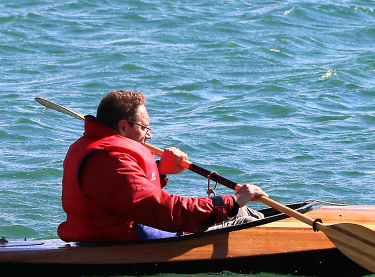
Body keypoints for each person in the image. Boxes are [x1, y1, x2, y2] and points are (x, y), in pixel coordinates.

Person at [58, 90, 267, 242]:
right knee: (242, 220)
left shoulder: (93, 147)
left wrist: (160, 171)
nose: (149, 135)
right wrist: (230, 201)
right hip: (124, 238)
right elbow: (164, 210)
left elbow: (122, 195)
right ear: (123, 126)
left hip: (112, 231)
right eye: (144, 127)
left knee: (244, 212)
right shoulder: (111, 158)